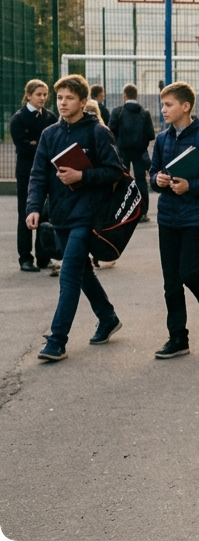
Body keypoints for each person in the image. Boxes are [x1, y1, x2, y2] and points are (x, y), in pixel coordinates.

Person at [25, 75, 125, 362]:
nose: (62, 103)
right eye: (59, 98)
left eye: (69, 98)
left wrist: (82, 175)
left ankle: (57, 340)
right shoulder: (50, 134)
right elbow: (38, 174)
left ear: (83, 102)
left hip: (88, 216)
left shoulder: (98, 133)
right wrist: (34, 207)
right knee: (82, 272)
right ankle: (107, 317)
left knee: (68, 275)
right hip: (60, 215)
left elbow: (115, 171)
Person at [149, 82, 199, 360]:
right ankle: (178, 338)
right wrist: (157, 180)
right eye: (162, 105)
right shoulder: (162, 139)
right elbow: (152, 173)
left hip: (196, 217)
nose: (163, 110)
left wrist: (190, 186)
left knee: (188, 272)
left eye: (168, 105)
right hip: (167, 216)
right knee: (171, 281)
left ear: (185, 106)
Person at [11, 80, 58, 273]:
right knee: (26, 213)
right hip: (27, 174)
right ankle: (25, 258)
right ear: (28, 95)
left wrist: (35, 143)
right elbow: (23, 147)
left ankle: (43, 257)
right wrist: (40, 146)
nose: (43, 98)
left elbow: (54, 143)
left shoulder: (50, 117)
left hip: (47, 172)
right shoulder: (18, 119)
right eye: (39, 94)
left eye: (45, 94)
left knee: (45, 215)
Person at [108, 83, 156, 221]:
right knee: (141, 180)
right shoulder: (144, 113)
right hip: (139, 151)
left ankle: (123, 211)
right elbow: (150, 134)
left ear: (124, 96)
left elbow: (111, 131)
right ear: (136, 95)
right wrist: (142, 143)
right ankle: (143, 211)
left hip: (122, 151)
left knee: (123, 180)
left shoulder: (118, 112)